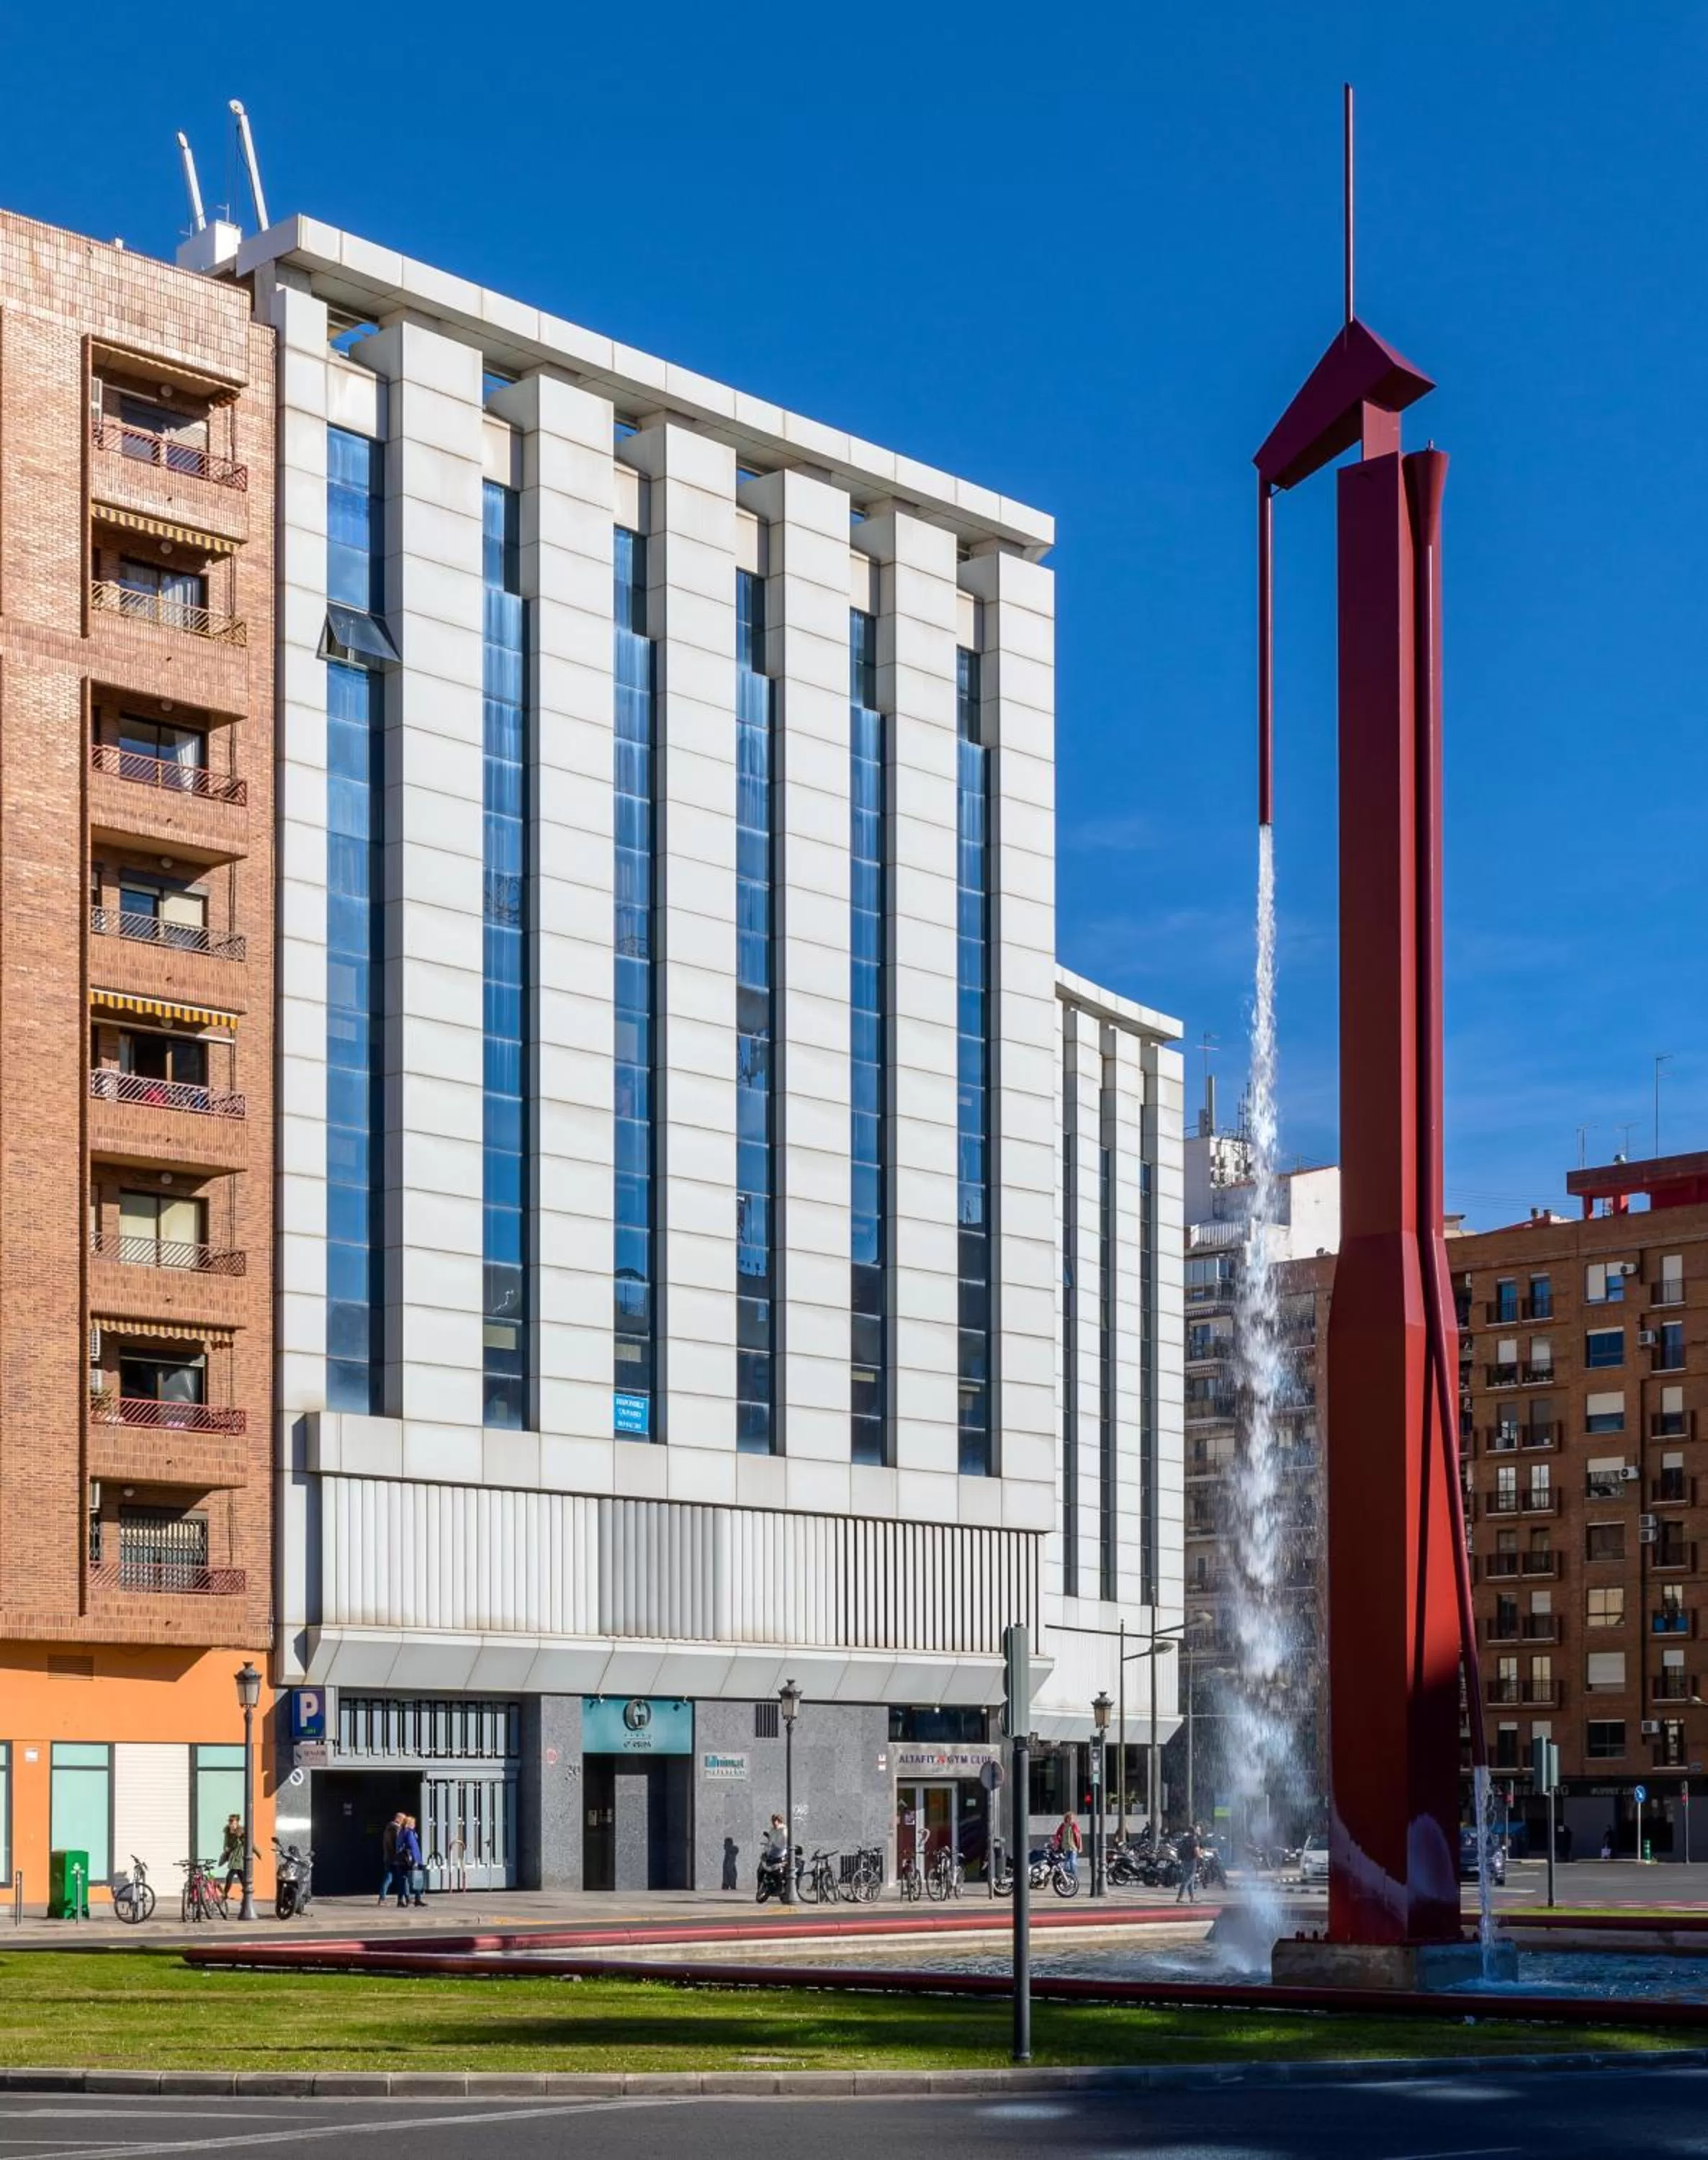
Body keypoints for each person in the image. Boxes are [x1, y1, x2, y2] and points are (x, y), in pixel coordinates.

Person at [395, 1815, 424, 1907]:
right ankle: (417, 1899)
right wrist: (416, 1860)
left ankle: (400, 1900)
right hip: (411, 1860)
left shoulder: (401, 1832)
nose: (415, 1825)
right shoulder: (410, 1833)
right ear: (410, 1824)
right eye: (414, 1823)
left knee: (403, 1880)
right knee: (417, 1878)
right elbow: (413, 1847)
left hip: (401, 1859)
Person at [217, 1814, 245, 1906]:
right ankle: (245, 1898)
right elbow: (226, 1843)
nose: (231, 1823)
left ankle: (225, 1896)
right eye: (230, 1821)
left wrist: (238, 1835)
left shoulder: (241, 1831)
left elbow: (247, 1843)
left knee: (230, 1877)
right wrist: (225, 1848)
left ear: (237, 1823)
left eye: (233, 1822)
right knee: (242, 1879)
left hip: (239, 1857)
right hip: (233, 1857)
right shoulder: (228, 1831)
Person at [378, 1812, 404, 1907]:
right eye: (403, 1820)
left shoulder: (388, 1828)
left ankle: (382, 1898)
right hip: (394, 1858)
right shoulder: (396, 1829)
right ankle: (384, 1898)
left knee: (388, 1877)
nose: (404, 1822)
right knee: (397, 1878)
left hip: (388, 1857)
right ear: (399, 1819)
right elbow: (396, 1844)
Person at [1051, 1811, 1082, 1879]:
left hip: (1073, 1847)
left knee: (1072, 1862)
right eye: (1069, 1818)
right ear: (1066, 1819)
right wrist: (1056, 1843)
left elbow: (1079, 1837)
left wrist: (1079, 1847)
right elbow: (1058, 1834)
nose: (1071, 1820)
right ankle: (1068, 1877)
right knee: (1066, 1864)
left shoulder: (1074, 1826)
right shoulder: (1063, 1825)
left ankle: (1075, 1877)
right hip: (1065, 1848)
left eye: (1072, 1819)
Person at [1174, 1821, 1200, 1904]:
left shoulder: (1184, 1840)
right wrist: (1200, 1856)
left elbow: (1178, 1849)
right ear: (1194, 1832)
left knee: (1191, 1880)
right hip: (1192, 1861)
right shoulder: (1194, 1840)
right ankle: (1180, 1897)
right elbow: (1197, 1852)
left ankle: (1192, 1897)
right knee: (1188, 1879)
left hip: (1184, 1861)